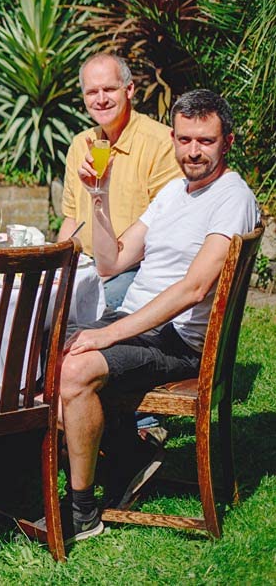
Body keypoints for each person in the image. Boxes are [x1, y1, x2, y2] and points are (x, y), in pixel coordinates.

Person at [55, 89, 260, 543]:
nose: (193, 151)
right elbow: (113, 262)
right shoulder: (173, 191)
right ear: (174, 137)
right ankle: (128, 452)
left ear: (227, 141)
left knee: (76, 367)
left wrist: (108, 336)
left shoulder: (232, 197)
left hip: (180, 343)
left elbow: (194, 288)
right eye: (185, 139)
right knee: (41, 349)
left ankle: (83, 510)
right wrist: (99, 197)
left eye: (205, 141)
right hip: (143, 325)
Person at [57, 54, 180, 310]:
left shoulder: (159, 143)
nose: (101, 99)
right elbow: (71, 219)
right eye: (92, 92)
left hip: (134, 269)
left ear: (129, 90)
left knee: (73, 313)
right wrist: (57, 271)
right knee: (36, 306)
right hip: (87, 266)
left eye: (110, 89)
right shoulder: (81, 145)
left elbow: (164, 226)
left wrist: (105, 272)